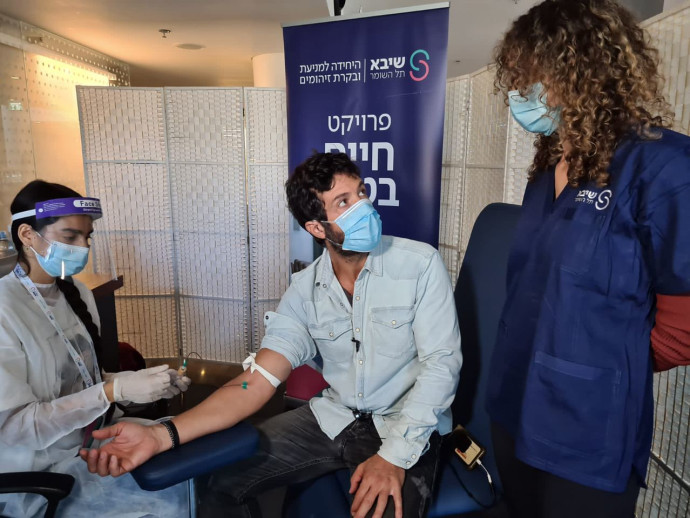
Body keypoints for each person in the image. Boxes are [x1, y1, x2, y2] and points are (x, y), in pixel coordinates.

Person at [81, 152, 463, 518]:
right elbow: (254, 383)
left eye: (361, 193)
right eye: (344, 202)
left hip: (403, 422)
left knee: (383, 507)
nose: (363, 206)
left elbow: (441, 367)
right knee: (220, 477)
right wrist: (161, 435)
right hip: (334, 417)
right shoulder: (304, 290)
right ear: (317, 228)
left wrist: (394, 455)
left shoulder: (420, 264)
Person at [486, 1, 690, 517]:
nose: (520, 91)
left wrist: (604, 362)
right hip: (514, 403)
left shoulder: (663, 167)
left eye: (532, 75)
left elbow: (684, 324)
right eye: (516, 77)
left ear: (584, 72)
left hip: (587, 428)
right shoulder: (547, 171)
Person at [0, 180, 191, 518]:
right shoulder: (5, 309)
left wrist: (139, 384)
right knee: (169, 496)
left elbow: (79, 381)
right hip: (41, 470)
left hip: (93, 439)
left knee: (189, 451)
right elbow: (16, 428)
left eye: (87, 237)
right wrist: (112, 391)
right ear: (27, 235)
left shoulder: (76, 294)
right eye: (70, 236)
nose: (83, 247)